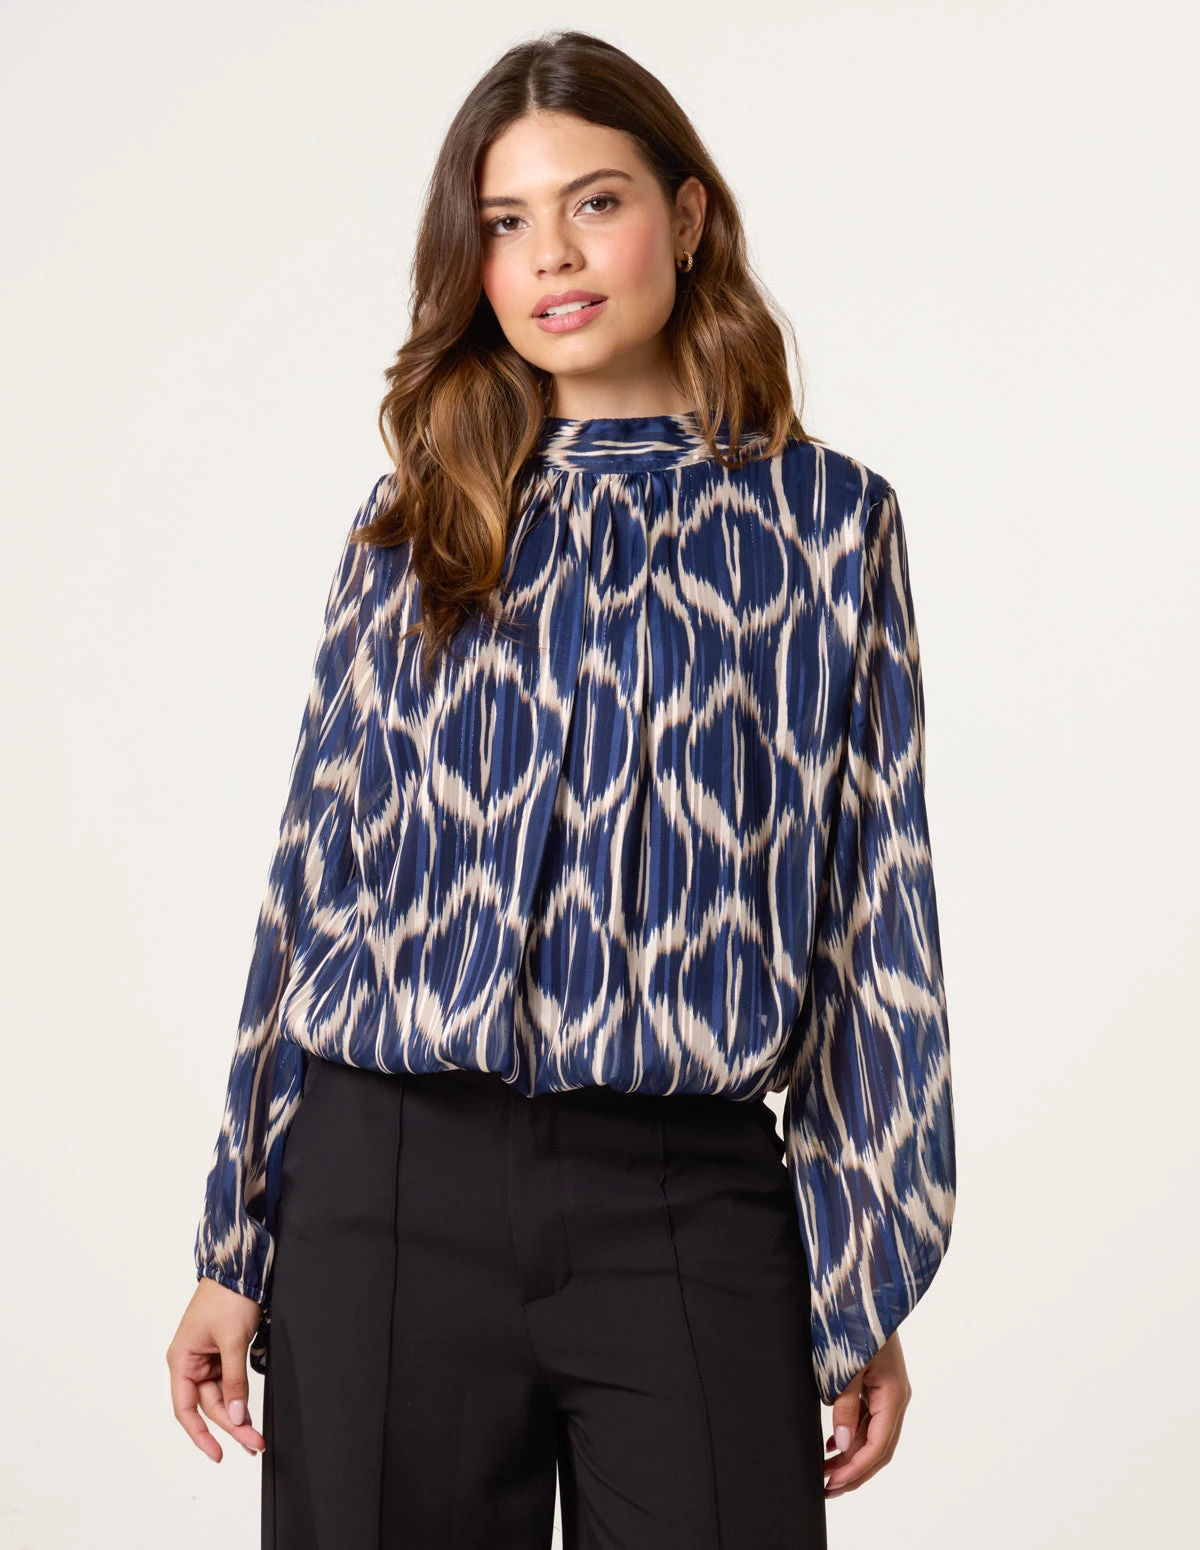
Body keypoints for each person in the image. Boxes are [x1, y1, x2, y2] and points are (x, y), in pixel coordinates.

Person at [166, 28, 956, 1550]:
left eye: (595, 203)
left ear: (688, 214)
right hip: (387, 1182)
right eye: (506, 222)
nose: (553, 258)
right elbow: (313, 879)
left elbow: (876, 906)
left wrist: (861, 1269)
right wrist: (235, 1235)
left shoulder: (826, 526)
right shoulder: (414, 523)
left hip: (683, 1197)